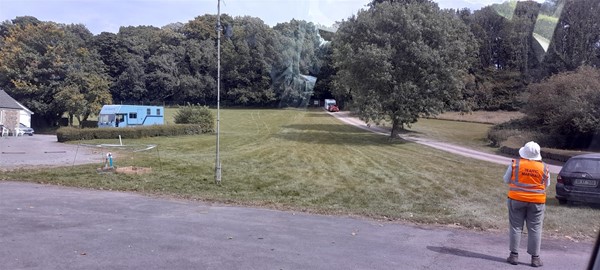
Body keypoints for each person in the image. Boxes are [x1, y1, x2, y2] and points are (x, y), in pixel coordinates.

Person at [504, 141, 550, 267]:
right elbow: (547, 184)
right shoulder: (544, 167)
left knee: (516, 227)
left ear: (524, 152)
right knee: (535, 229)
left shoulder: (515, 164)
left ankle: (513, 256)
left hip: (516, 200)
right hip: (537, 202)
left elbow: (506, 179)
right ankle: (535, 259)